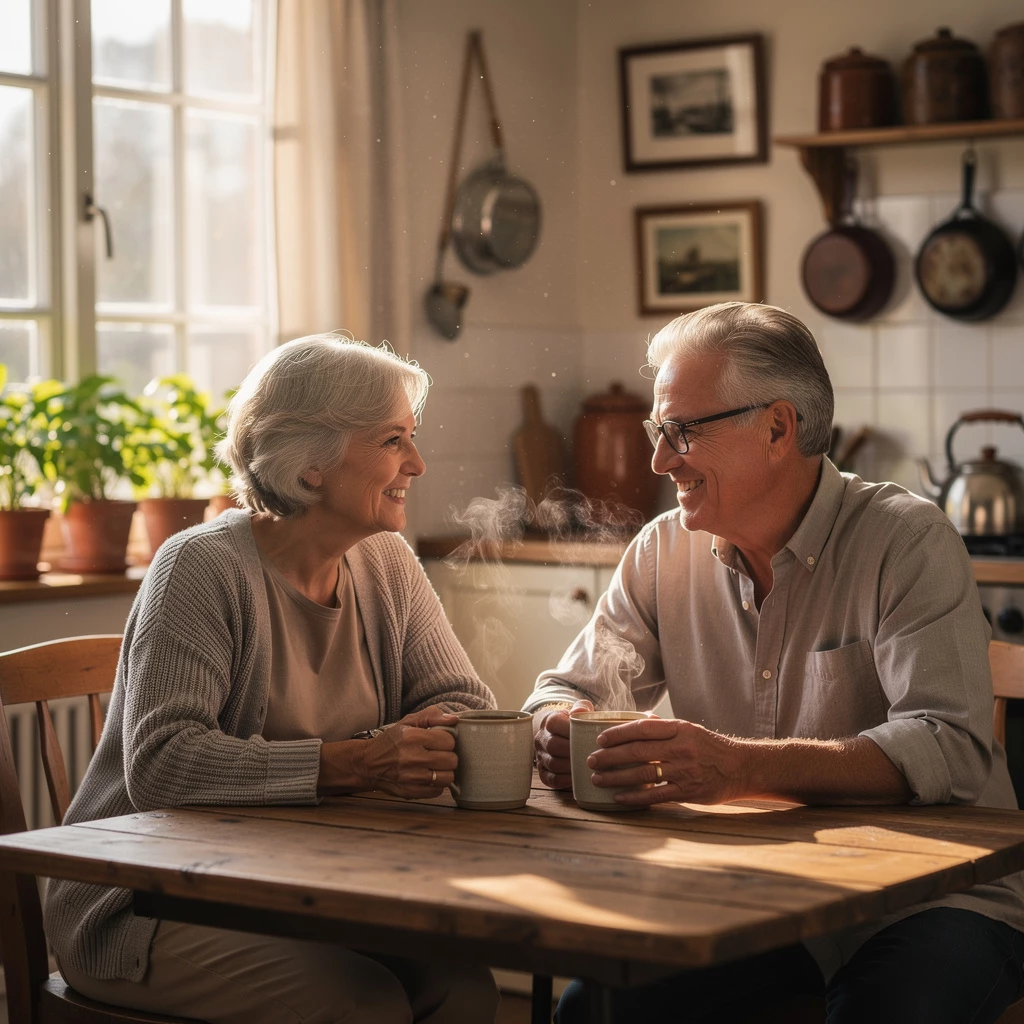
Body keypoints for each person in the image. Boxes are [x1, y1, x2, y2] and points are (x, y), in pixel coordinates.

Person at [525, 302, 1024, 1023]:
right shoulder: (663, 550)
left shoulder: (906, 541)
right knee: (597, 1009)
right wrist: (554, 722)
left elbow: (947, 747)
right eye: (657, 432)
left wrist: (741, 766)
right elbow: (565, 687)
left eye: (683, 431)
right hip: (761, 896)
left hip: (936, 898)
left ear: (778, 428)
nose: (661, 460)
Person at [46, 335, 501, 1024]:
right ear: (312, 464)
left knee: (464, 989)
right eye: (391, 441)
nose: (417, 462)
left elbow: (462, 703)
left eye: (412, 437)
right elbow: (163, 766)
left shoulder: (388, 563)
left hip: (301, 885)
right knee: (362, 1004)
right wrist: (359, 761)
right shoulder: (200, 568)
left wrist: (421, 742)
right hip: (147, 902)